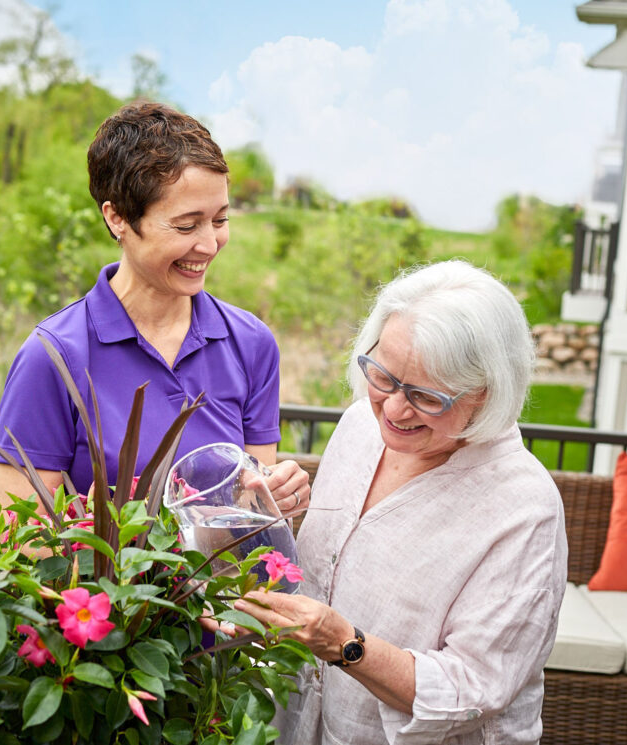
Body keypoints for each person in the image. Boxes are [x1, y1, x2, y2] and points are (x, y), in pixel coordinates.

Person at [234, 260, 568, 744]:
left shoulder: (523, 508)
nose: (393, 408)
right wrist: (282, 512)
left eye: (425, 396)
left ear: (487, 392)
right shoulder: (359, 429)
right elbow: (335, 562)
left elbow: (474, 688)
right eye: (383, 376)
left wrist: (346, 644)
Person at [0, 101, 309, 513]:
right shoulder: (54, 356)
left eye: (220, 220)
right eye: (186, 225)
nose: (210, 245)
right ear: (118, 217)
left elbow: (249, 513)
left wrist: (277, 497)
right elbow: (21, 541)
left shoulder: (250, 344)